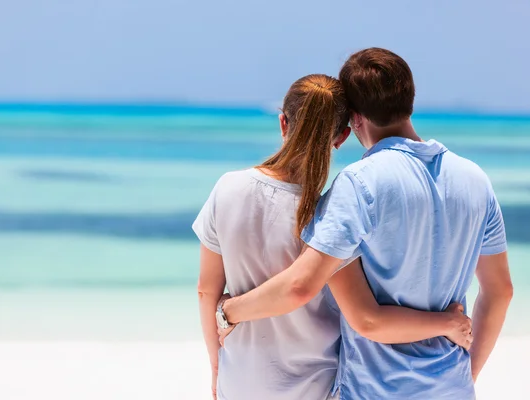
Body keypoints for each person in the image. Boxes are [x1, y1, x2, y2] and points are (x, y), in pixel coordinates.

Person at [218, 49, 514, 399]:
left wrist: (228, 312)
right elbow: (500, 292)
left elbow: (308, 289)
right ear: (409, 99)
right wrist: (467, 374)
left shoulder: (358, 184)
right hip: (453, 388)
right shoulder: (475, 180)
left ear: (355, 120)